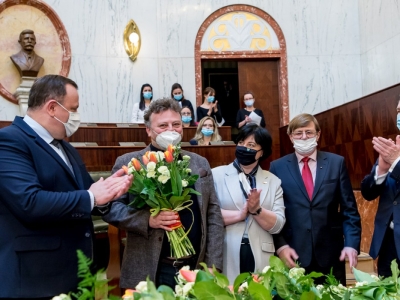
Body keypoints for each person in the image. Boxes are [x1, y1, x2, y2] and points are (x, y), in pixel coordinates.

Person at [0, 75, 133, 299]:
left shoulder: (64, 145)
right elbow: (29, 202)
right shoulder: (9, 141)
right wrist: (92, 197)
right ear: (52, 107)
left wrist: (109, 193)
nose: (76, 117)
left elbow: (87, 193)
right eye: (73, 109)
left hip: (76, 275)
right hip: (36, 280)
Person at [103, 98, 224, 289]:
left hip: (195, 268)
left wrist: (212, 266)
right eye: (163, 125)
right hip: (150, 270)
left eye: (176, 124)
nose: (171, 129)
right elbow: (111, 209)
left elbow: (214, 216)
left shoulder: (200, 164)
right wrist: (147, 220)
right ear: (149, 130)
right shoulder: (129, 163)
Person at [269, 113, 361, 285]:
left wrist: (351, 244)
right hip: (292, 255)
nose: (304, 137)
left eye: (309, 132)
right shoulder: (277, 167)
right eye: (298, 133)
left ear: (318, 134)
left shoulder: (336, 163)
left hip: (331, 255)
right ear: (290, 137)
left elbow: (350, 211)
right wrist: (280, 246)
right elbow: (274, 214)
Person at [212, 124, 285, 283]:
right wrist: (240, 215)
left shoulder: (273, 181)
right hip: (226, 250)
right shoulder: (216, 175)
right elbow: (209, 216)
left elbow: (278, 224)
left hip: (261, 252)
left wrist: (257, 210)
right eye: (241, 143)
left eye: (251, 145)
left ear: (262, 152)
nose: (244, 148)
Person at [361, 99, 400, 277]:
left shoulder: (394, 155)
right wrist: (381, 171)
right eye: (398, 109)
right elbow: (368, 193)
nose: (399, 114)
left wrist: (397, 163)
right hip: (388, 243)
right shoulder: (393, 148)